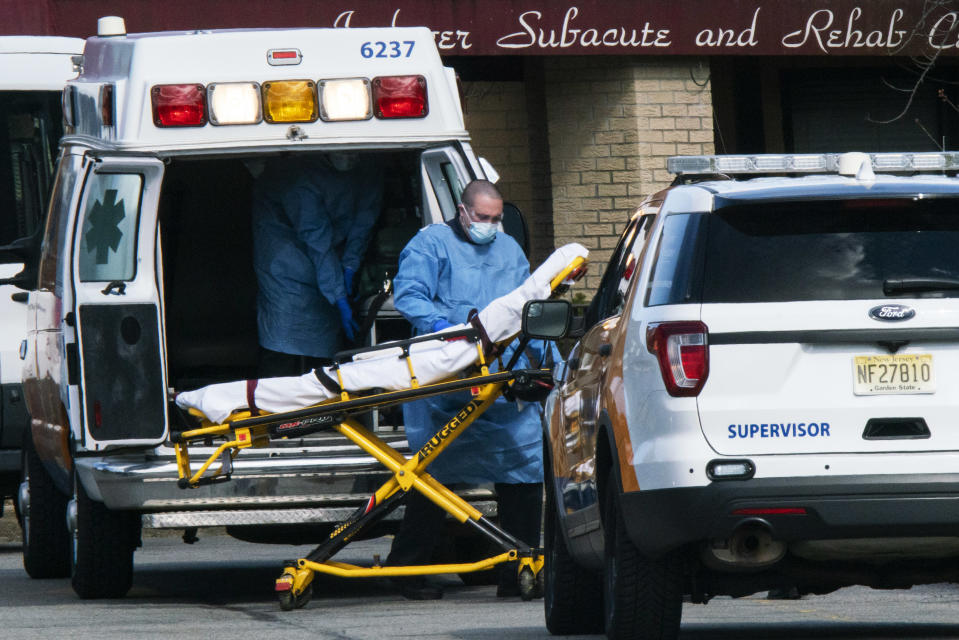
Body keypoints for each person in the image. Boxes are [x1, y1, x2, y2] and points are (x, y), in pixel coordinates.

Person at [385, 179, 553, 600]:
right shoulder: (431, 246)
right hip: (448, 377)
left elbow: (525, 306)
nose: (490, 226)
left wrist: (548, 363)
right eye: (482, 218)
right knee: (431, 478)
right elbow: (410, 297)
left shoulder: (508, 249)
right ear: (461, 211)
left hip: (499, 382)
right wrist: (454, 329)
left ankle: (517, 573)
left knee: (524, 475)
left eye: (497, 219)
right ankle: (407, 572)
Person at [252, 153, 382, 377]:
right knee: (283, 337)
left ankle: (322, 409)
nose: (348, 159)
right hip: (285, 268)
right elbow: (316, 238)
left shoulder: (370, 164)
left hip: (329, 264)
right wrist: (338, 294)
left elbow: (365, 219)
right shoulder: (297, 177)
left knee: (324, 354)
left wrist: (350, 266)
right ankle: (278, 406)